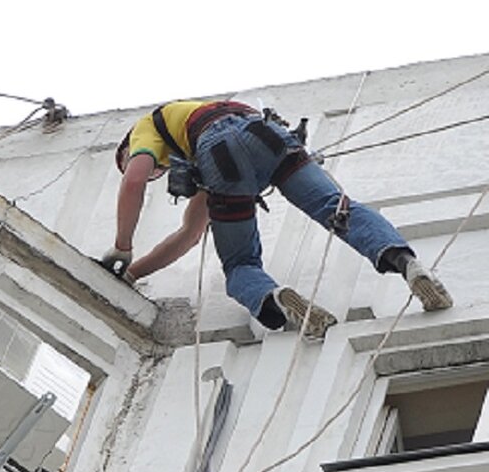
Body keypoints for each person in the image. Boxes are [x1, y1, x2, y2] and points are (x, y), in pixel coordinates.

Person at [104, 100, 453, 339]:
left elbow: (133, 180)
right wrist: (132, 276)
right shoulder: (193, 134)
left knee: (239, 264)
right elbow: (190, 234)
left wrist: (123, 249)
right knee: (337, 208)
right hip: (265, 134)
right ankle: (407, 263)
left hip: (219, 152)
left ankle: (275, 297)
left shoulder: (147, 127)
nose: (156, 172)